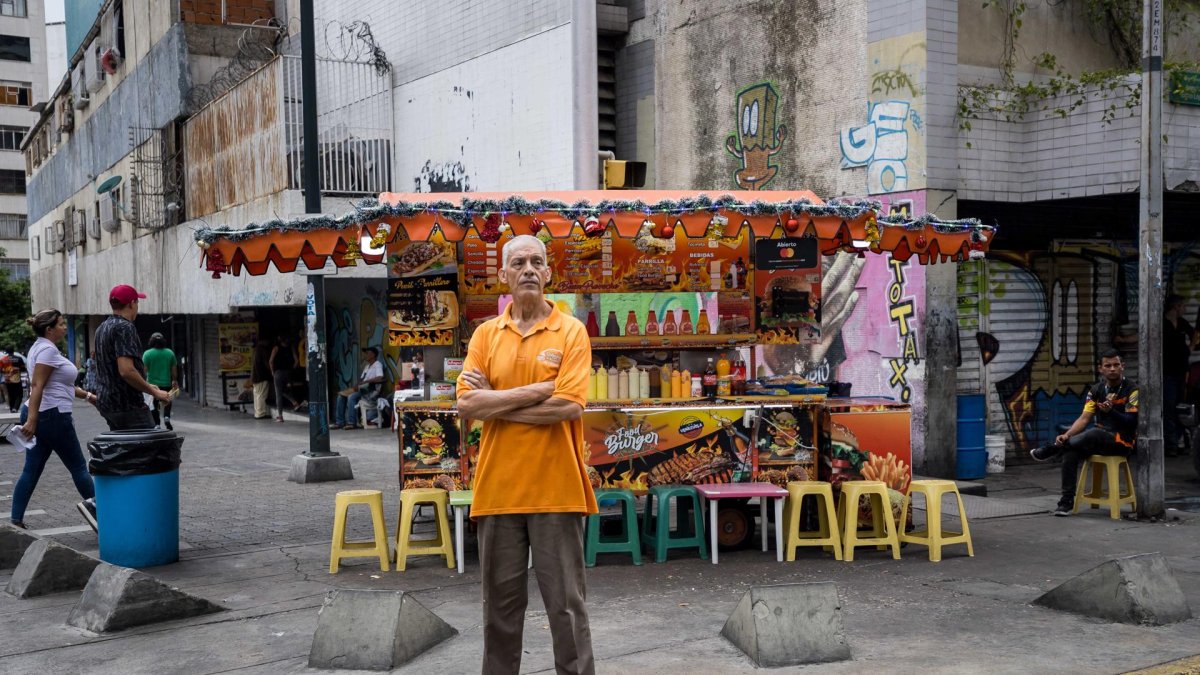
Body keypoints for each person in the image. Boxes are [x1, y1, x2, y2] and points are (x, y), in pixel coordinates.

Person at [455, 234, 597, 675]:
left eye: (537, 262)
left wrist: (495, 400)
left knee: (567, 611)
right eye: (519, 263)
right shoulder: (485, 334)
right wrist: (537, 390)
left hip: (557, 491)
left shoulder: (571, 331)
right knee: (498, 614)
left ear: (549, 274)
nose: (529, 269)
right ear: (504, 276)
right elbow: (466, 404)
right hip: (498, 493)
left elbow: (569, 406)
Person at [11, 309, 99, 531]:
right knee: (79, 466)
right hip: (51, 415)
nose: (64, 327)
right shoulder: (47, 352)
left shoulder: (40, 347)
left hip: (42, 412)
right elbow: (37, 385)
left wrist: (88, 396)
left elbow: (60, 384)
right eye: (60, 324)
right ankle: (105, 515)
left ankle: (16, 520)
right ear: (49, 329)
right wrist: (32, 421)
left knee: (31, 469)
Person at [1030, 349, 1138, 517]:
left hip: (1122, 441)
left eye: (1116, 365)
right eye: (1108, 365)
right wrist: (1067, 435)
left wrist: (1111, 412)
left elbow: (1132, 421)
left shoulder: (1132, 390)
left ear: (1122, 367)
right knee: (1071, 451)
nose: (1112, 369)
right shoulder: (1096, 390)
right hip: (1099, 439)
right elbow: (1084, 418)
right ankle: (1065, 503)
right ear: (1100, 369)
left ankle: (1052, 449)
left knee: (1095, 432)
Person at [94, 284, 172, 430]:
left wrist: (147, 386)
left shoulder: (102, 327)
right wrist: (155, 392)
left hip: (107, 403)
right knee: (148, 449)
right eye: (137, 302)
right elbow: (126, 371)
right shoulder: (125, 327)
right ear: (131, 304)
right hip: (127, 404)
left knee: (125, 449)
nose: (137, 307)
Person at [1163, 294, 1193, 455]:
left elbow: (1195, 335)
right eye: (1183, 306)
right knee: (1168, 407)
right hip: (1167, 373)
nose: (1185, 309)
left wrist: (1191, 348)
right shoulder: (1162, 323)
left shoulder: (1182, 323)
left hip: (1182, 372)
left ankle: (1179, 441)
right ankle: (1171, 445)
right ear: (1176, 307)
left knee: (1180, 407)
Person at [333, 346, 384, 430]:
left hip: (370, 391)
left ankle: (352, 423)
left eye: (367, 353)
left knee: (351, 397)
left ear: (373, 355)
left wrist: (365, 382)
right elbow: (361, 379)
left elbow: (380, 377)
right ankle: (339, 422)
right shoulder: (367, 366)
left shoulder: (377, 364)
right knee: (340, 396)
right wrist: (354, 387)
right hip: (362, 389)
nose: (365, 355)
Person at [143, 332, 179, 430]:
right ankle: (167, 417)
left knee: (153, 404)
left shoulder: (147, 354)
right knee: (167, 401)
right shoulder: (170, 353)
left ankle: (157, 423)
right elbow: (174, 370)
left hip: (152, 385)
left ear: (151, 341)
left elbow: (144, 370)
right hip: (166, 383)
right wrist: (174, 380)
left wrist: (144, 383)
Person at [269, 335, 301, 421]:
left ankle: (280, 416)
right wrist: (291, 369)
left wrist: (272, 372)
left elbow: (271, 361)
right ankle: (295, 402)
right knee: (283, 390)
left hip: (278, 373)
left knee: (278, 394)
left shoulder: (276, 348)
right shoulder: (291, 347)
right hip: (288, 372)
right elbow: (296, 361)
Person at [250, 338, 273, 419]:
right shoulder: (262, 350)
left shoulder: (255, 350)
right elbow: (267, 363)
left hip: (255, 376)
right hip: (261, 376)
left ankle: (257, 413)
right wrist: (272, 371)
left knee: (256, 395)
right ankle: (260, 414)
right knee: (261, 395)